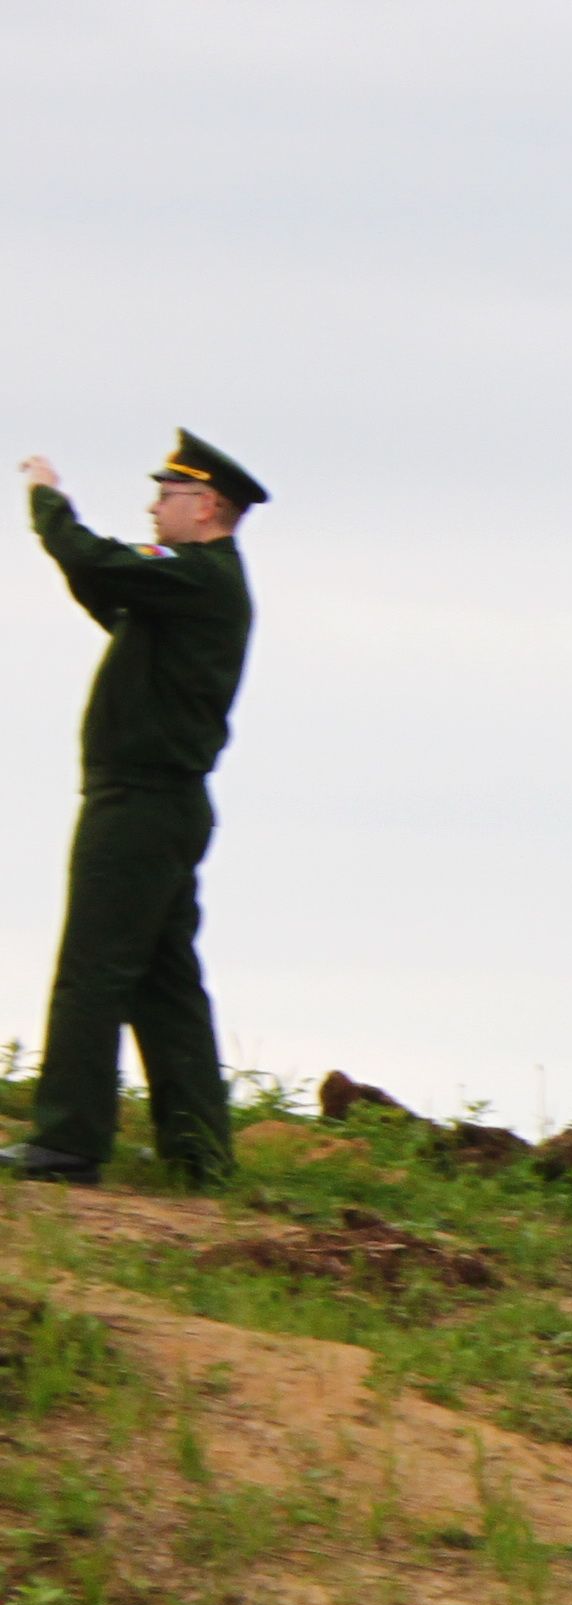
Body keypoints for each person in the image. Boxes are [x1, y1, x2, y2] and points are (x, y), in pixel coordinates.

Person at [6, 433, 264, 1187]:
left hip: (142, 803)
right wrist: (76, 554)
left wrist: (48, 500)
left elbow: (96, 562)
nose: (154, 508)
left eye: (167, 496)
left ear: (206, 505)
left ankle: (66, 1142)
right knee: (164, 981)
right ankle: (199, 1154)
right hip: (164, 803)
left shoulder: (198, 575)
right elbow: (103, 586)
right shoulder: (189, 586)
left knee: (93, 967)